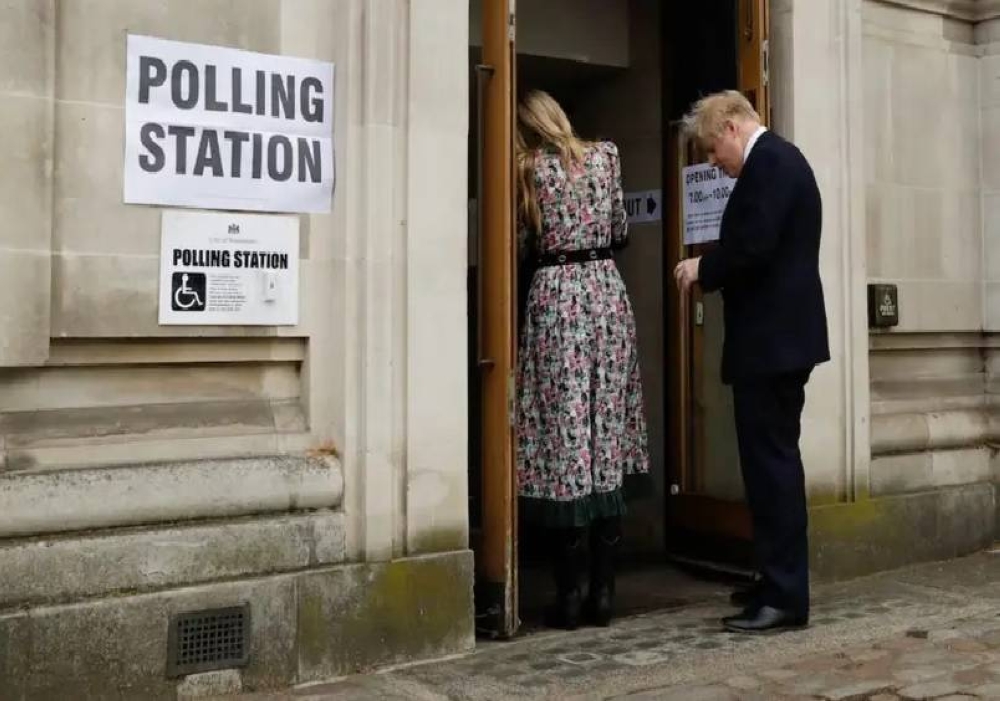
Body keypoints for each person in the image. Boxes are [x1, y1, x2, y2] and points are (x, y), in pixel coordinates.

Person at [674, 90, 830, 634]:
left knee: (772, 471)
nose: (712, 160)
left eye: (713, 147)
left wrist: (702, 270)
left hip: (773, 345)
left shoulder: (772, 162)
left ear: (733, 125)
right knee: (768, 469)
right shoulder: (777, 162)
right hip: (776, 343)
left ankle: (785, 594)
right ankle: (773, 581)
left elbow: (754, 247)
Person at [515, 90, 649, 630]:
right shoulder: (608, 156)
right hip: (604, 291)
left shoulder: (527, 169)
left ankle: (569, 597)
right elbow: (620, 230)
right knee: (606, 430)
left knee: (564, 432)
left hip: (554, 295)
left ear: (528, 128)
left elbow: (522, 240)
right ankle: (604, 594)